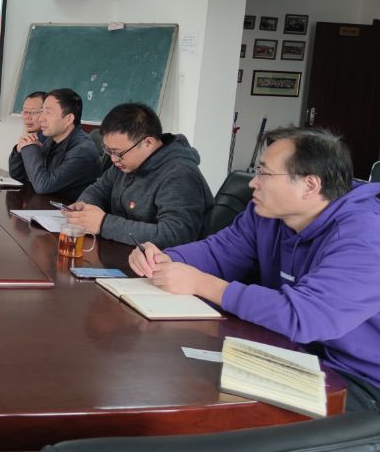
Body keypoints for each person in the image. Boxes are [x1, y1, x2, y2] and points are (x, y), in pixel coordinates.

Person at [129, 127, 380, 412]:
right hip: (293, 354)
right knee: (176, 376)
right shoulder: (267, 214)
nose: (252, 183)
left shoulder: (366, 234)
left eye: (264, 173)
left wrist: (202, 284)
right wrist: (165, 259)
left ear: (310, 185)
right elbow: (218, 252)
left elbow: (305, 317)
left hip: (361, 379)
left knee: (217, 415)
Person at [65, 102, 213, 248]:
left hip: (164, 261)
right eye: (109, 151)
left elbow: (175, 235)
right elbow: (98, 190)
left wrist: (103, 224)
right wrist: (85, 208)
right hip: (122, 251)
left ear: (148, 143)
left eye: (118, 152)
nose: (113, 159)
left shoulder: (180, 175)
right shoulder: (124, 163)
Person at [10, 88, 101, 198]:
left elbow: (43, 186)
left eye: (48, 113)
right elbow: (18, 176)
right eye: (42, 112)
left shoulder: (83, 151)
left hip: (69, 207)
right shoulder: (52, 140)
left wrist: (30, 148)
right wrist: (20, 150)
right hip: (47, 204)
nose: (41, 118)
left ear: (68, 119)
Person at [7, 91, 45, 180]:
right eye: (25, 112)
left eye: (33, 112)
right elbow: (16, 174)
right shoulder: (30, 137)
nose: (27, 117)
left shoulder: (53, 140)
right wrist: (19, 150)